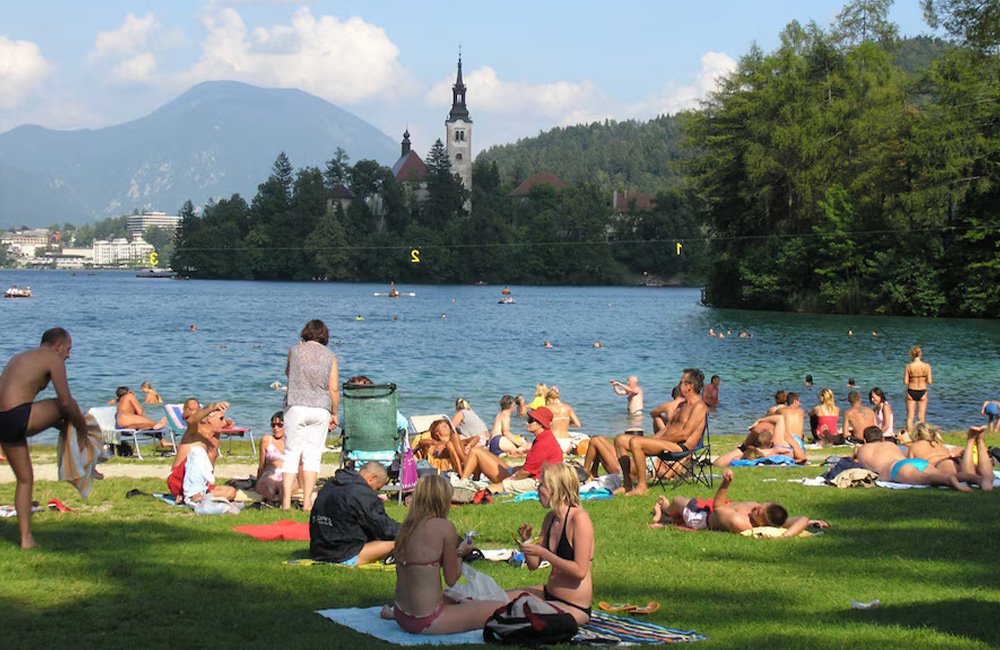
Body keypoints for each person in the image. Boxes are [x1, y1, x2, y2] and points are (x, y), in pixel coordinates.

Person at [380, 474, 506, 634]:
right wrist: (460, 552)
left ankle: (391, 613)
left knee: (456, 597)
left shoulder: (406, 527)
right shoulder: (444, 527)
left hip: (401, 615)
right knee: (499, 607)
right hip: (426, 620)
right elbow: (452, 579)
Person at [0, 327, 90, 549]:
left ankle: (26, 540)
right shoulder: (52, 358)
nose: (68, 355)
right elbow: (66, 401)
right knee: (67, 408)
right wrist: (82, 428)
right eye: (68, 349)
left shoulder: (20, 357)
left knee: (25, 479)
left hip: (3, 422)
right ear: (58, 345)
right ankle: (82, 462)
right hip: (17, 416)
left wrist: (62, 426)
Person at [589, 369, 707, 496]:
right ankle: (627, 485)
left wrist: (657, 440)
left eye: (682, 382)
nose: (679, 385)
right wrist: (653, 438)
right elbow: (667, 429)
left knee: (635, 441)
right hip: (667, 442)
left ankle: (642, 486)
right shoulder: (681, 405)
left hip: (681, 447)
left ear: (690, 386)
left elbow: (685, 434)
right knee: (620, 440)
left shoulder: (699, 406)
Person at [510, 463, 594, 625]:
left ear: (555, 489)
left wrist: (544, 553)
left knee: (515, 613)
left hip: (574, 606)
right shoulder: (550, 518)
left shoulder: (579, 519)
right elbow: (533, 565)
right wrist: (527, 543)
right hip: (549, 594)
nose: (537, 489)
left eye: (541, 485)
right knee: (496, 597)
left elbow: (580, 571)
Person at [650, 468, 829, 537]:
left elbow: (717, 508)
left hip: (703, 515)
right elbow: (803, 519)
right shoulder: (769, 519)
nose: (756, 507)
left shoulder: (740, 522)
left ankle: (662, 511)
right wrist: (807, 525)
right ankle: (666, 515)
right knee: (679, 507)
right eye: (761, 505)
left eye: (759, 512)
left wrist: (726, 483)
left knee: (676, 501)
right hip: (717, 507)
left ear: (763, 523)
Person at [282, 319, 339, 512]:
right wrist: (334, 412)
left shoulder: (294, 351)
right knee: (312, 456)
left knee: (291, 453)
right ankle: (307, 502)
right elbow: (334, 388)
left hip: (296, 404)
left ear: (305, 333)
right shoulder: (330, 356)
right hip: (320, 407)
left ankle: (286, 502)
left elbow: (288, 373)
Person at [310, 461, 399, 565]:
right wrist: (411, 530)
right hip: (342, 554)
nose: (375, 492)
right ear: (372, 478)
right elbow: (384, 529)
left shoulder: (330, 484)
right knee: (405, 541)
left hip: (318, 551)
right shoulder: (362, 493)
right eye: (377, 488)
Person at [459, 406, 563, 494]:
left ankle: (463, 481)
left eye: (531, 420)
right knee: (485, 454)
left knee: (476, 452)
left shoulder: (544, 442)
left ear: (541, 423)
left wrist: (511, 478)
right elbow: (533, 467)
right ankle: (473, 480)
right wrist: (514, 470)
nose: (527, 423)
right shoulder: (545, 438)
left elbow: (527, 471)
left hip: (536, 480)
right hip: (536, 477)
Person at [854, 425, 985, 490]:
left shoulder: (863, 450)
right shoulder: (890, 444)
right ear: (882, 438)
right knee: (937, 473)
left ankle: (950, 481)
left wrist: (855, 453)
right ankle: (977, 479)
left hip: (896, 469)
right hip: (912, 462)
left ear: (865, 440)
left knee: (925, 478)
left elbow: (859, 464)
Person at [166, 400, 237, 503]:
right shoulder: (194, 432)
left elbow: (209, 469)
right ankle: (191, 495)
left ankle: (195, 496)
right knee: (197, 452)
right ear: (208, 419)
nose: (223, 422)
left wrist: (223, 425)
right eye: (221, 419)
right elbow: (191, 421)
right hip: (178, 479)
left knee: (230, 492)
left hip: (200, 484)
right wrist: (211, 407)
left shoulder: (214, 437)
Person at [255, 411, 300, 502]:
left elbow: (300, 465)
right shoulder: (267, 440)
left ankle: (281, 502)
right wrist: (257, 481)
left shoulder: (293, 441)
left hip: (288, 474)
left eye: (280, 425)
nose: (276, 428)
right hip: (269, 474)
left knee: (284, 490)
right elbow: (261, 465)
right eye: (273, 425)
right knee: (269, 491)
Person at [904, 346, 933, 433]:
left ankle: (909, 436)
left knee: (910, 416)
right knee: (921, 417)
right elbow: (930, 381)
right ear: (920, 354)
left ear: (911, 355)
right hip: (922, 391)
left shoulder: (908, 366)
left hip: (911, 390)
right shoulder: (926, 366)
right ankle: (921, 435)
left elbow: (905, 382)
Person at [545, 387, 582, 451]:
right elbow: (578, 425)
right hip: (566, 443)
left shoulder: (547, 409)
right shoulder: (568, 407)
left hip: (554, 442)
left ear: (549, 399)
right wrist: (567, 422)